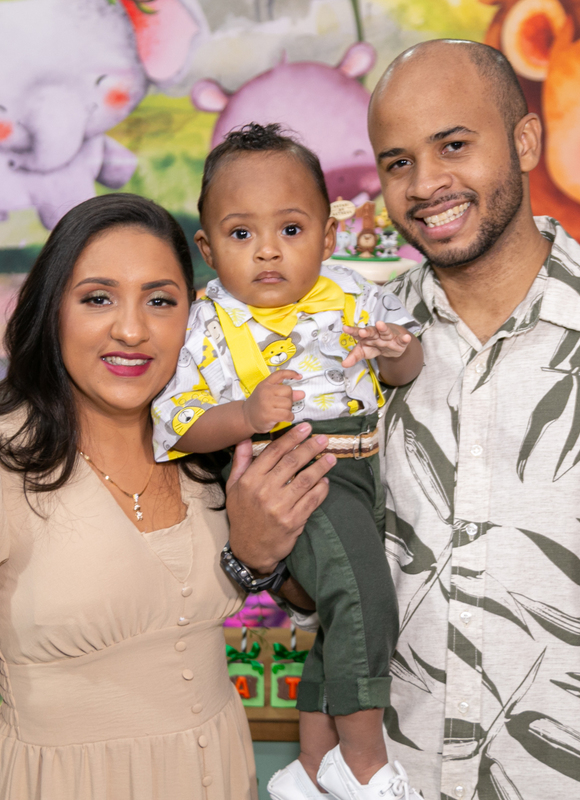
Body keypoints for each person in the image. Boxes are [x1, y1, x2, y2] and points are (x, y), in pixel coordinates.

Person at [231, 40, 580, 799]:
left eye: (454, 145)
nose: (425, 184)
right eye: (398, 162)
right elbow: (325, 585)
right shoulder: (352, 337)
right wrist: (265, 553)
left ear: (526, 141)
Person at [0, 193, 338, 800]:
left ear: (194, 316)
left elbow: (324, 598)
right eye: (98, 298)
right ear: (51, 311)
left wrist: (261, 561)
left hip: (216, 774)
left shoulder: (217, 441)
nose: (131, 330)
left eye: (160, 301)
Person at [151, 123, 425, 800]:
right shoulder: (208, 323)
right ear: (208, 249)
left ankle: (310, 765)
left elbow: (407, 368)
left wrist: (397, 351)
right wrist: (245, 415)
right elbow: (178, 423)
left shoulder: (353, 292)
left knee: (339, 615)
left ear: (328, 238)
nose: (268, 249)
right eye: (242, 233)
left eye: (292, 229)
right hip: (299, 472)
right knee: (365, 599)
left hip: (362, 469)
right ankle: (365, 765)